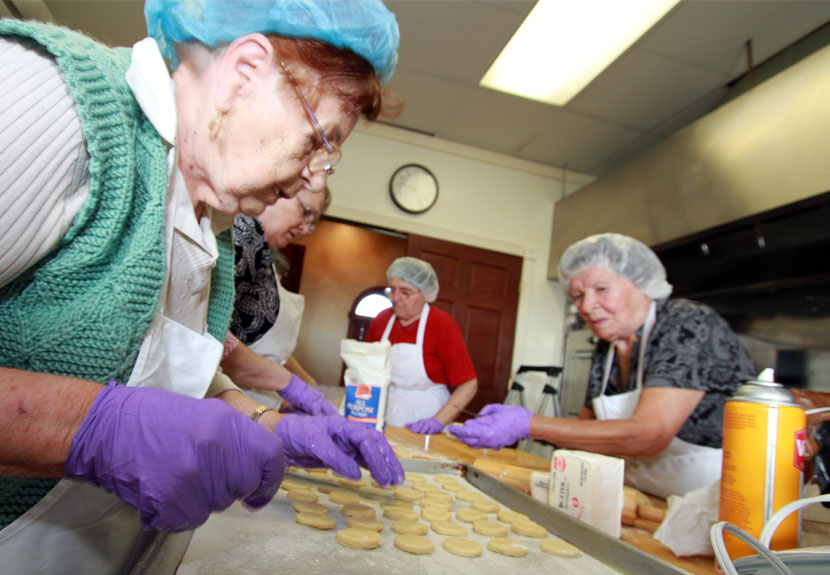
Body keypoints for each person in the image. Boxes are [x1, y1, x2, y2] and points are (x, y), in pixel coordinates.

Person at [0, 0, 402, 569]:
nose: (309, 179)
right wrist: (92, 430)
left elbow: (157, 367)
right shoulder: (54, 103)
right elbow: (122, 417)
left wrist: (265, 425)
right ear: (245, 72)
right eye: (319, 141)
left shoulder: (209, 222)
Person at [450, 233, 757, 499]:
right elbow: (586, 433)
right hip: (644, 495)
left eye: (601, 290)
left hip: (715, 500)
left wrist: (527, 425)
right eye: (578, 295)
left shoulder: (686, 325)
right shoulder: (606, 347)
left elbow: (650, 434)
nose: (585, 305)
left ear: (641, 284)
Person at [229, 186, 331, 410]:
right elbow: (214, 343)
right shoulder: (233, 234)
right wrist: (290, 385)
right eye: (305, 212)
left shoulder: (257, 250)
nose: (305, 227)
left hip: (249, 397)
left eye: (311, 221)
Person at [364, 257, 478, 434]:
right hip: (385, 411)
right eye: (392, 290)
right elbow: (365, 372)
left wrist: (437, 421)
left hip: (429, 412)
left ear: (426, 293)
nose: (396, 298)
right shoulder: (382, 320)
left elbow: (469, 384)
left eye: (405, 292)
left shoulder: (441, 323)